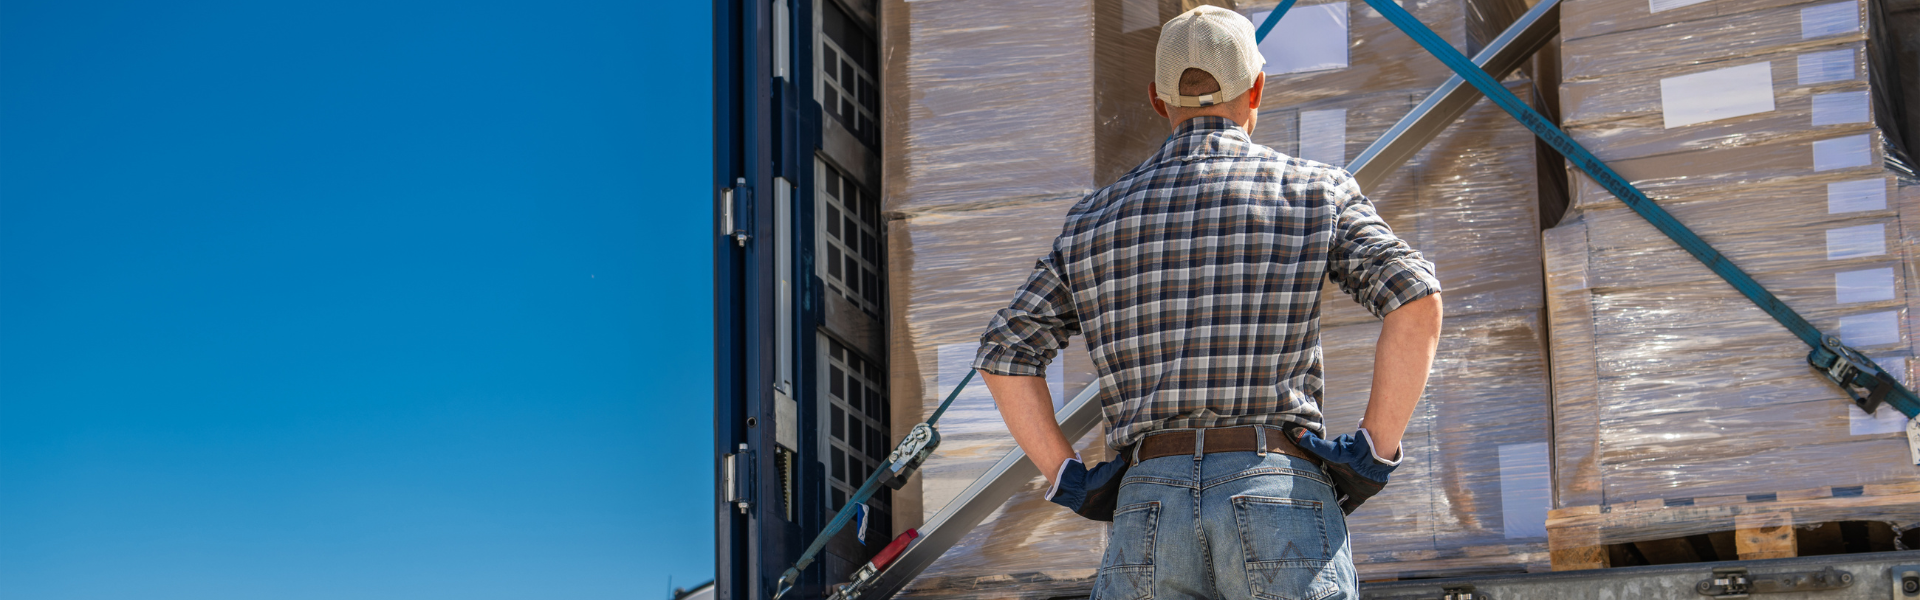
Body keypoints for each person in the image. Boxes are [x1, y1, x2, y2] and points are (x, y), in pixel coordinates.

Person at [969, 6, 1445, 600]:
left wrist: (1070, 477)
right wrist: (1371, 453)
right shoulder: (1314, 191)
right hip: (1278, 492)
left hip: (1147, 503)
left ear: (1156, 99)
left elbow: (1003, 355)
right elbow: (1416, 301)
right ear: (1258, 91)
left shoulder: (1091, 221)